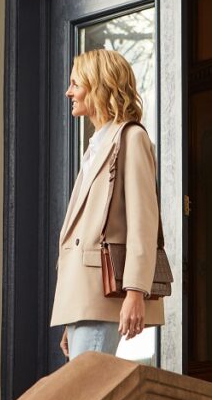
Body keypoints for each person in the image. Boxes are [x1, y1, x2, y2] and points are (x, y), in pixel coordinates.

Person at [51, 49, 164, 360]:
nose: (68, 91)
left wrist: (136, 291)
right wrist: (73, 311)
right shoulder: (96, 145)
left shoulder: (130, 138)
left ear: (98, 84)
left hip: (106, 293)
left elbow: (144, 222)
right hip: (84, 298)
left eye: (76, 83)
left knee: (84, 398)